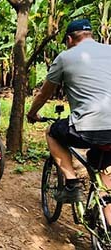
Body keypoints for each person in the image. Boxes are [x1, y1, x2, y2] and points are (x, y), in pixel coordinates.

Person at [27, 19, 111, 218]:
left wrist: (32, 114)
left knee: (52, 132)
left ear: (69, 39)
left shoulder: (65, 57)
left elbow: (44, 94)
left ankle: (72, 182)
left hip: (88, 127)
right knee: (103, 172)